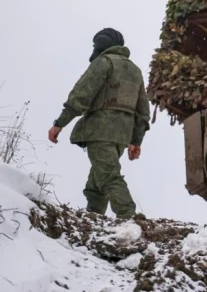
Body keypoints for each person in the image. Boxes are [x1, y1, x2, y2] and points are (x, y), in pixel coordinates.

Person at [48, 28, 151, 219]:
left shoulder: (103, 63)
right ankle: (94, 217)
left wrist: (60, 123)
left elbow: (81, 95)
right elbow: (143, 111)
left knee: (109, 175)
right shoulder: (135, 71)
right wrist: (136, 141)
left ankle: (128, 217)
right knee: (97, 180)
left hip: (101, 130)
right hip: (122, 136)